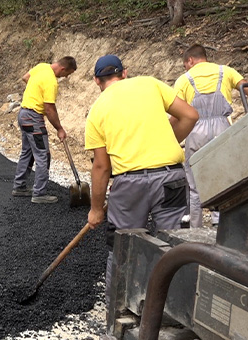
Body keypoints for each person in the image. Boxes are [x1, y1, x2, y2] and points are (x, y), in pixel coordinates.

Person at [84, 55, 198, 309]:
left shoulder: (97, 111)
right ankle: (173, 310)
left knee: (122, 247)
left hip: (129, 184)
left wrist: (95, 208)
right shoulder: (150, 84)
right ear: (124, 73)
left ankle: (119, 310)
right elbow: (190, 115)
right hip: (171, 179)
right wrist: (165, 140)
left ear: (96, 81)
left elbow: (101, 167)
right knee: (173, 244)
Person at [174, 44, 248, 228]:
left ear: (190, 60)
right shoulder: (226, 71)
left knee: (194, 184)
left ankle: (195, 230)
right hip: (222, 130)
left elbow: (176, 115)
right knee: (223, 179)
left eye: (185, 64)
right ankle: (220, 225)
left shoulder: (184, 79)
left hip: (195, 130)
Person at [12, 56, 77, 204]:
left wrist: (35, 92)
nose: (66, 77)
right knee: (43, 155)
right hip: (33, 119)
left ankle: (19, 186)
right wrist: (59, 128)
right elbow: (49, 108)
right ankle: (39, 193)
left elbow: (25, 77)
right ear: (63, 69)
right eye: (68, 74)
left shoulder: (42, 67)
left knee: (27, 152)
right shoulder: (51, 82)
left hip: (23, 114)